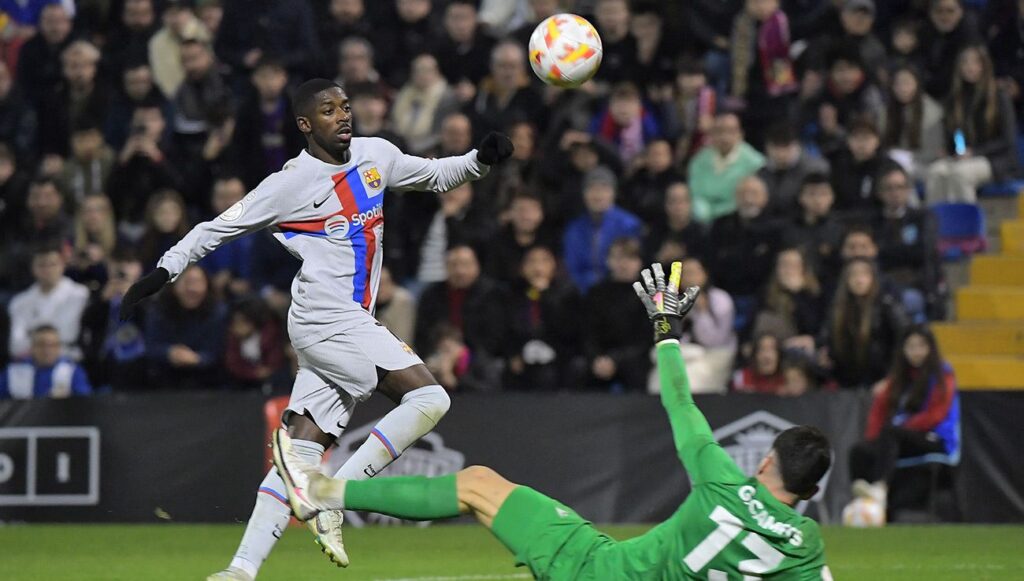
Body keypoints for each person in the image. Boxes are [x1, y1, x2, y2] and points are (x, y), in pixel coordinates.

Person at [116, 79, 513, 580]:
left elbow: (434, 176)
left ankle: (239, 569)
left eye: (345, 106)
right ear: (305, 124)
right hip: (326, 317)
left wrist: (479, 159)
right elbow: (215, 228)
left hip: (344, 321)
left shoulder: (375, 155)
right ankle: (331, 497)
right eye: (328, 110)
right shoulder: (290, 183)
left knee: (300, 453)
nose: (343, 115)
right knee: (430, 399)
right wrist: (163, 272)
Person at [270, 261, 833, 580]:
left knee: (475, 485)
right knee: (488, 497)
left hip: (597, 570)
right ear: (808, 493)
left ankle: (322, 491)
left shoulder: (721, 480)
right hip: (605, 563)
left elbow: (681, 403)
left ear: (765, 460)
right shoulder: (805, 546)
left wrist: (665, 329)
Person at [847, 324, 960, 518]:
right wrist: (874, 441)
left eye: (921, 346)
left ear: (930, 348)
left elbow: (936, 415)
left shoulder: (943, 375)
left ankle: (880, 489)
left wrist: (903, 426)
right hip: (903, 438)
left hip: (935, 438)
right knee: (859, 451)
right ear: (903, 350)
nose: (916, 352)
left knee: (892, 432)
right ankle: (865, 505)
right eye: (911, 346)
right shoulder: (898, 377)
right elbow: (879, 411)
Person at [926, 44, 1020, 204]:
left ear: (984, 66)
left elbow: (1007, 140)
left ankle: (965, 219)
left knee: (960, 174)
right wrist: (951, 150)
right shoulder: (955, 99)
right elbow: (956, 135)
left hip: (996, 160)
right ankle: (935, 219)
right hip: (965, 158)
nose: (970, 67)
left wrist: (974, 152)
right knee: (936, 171)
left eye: (976, 62)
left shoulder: (999, 97)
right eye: (965, 62)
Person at [818, 258, 907, 389]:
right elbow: (825, 337)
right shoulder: (837, 309)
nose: (859, 280)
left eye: (864, 274)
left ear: (873, 279)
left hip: (881, 378)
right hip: (844, 379)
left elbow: (904, 342)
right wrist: (823, 350)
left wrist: (890, 379)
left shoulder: (887, 306)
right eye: (853, 275)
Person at [583, 238, 652, 392]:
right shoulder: (596, 293)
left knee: (637, 370)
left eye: (630, 258)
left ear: (639, 262)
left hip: (635, 358)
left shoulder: (649, 295)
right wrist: (596, 358)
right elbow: (588, 332)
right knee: (579, 368)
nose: (623, 264)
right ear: (608, 261)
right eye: (618, 257)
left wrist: (615, 359)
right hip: (601, 357)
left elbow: (645, 339)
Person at [562, 166, 643, 293]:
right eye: (592, 188)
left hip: (621, 291)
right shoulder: (574, 229)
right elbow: (573, 268)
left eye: (604, 188)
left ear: (614, 193)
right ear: (584, 194)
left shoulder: (629, 224)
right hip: (584, 293)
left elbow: (631, 264)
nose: (598, 194)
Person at [78, 248, 147, 391]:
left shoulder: (150, 291)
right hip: (104, 361)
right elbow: (87, 323)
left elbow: (149, 321)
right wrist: (103, 301)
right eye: (117, 264)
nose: (122, 270)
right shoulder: (98, 292)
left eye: (128, 264)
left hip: (138, 361)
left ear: (138, 268)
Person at [8, 244, 90, 361]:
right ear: (33, 268)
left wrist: (35, 338)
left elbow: (69, 335)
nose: (47, 270)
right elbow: (15, 345)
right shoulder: (19, 302)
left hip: (68, 359)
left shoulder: (79, 295)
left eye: (53, 264)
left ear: (63, 265)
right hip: (30, 361)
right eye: (42, 265)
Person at [688, 112, 766, 224]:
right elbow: (695, 194)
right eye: (719, 131)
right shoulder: (698, 161)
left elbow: (753, 199)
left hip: (738, 220)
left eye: (731, 131)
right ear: (711, 135)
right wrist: (704, 213)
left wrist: (721, 214)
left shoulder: (755, 163)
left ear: (740, 134)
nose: (725, 137)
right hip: (703, 219)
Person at [0, 325, 92, 399]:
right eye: (41, 345)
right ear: (32, 347)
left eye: (53, 345)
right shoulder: (13, 371)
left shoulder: (72, 371)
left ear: (59, 348)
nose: (47, 350)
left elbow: (85, 403)